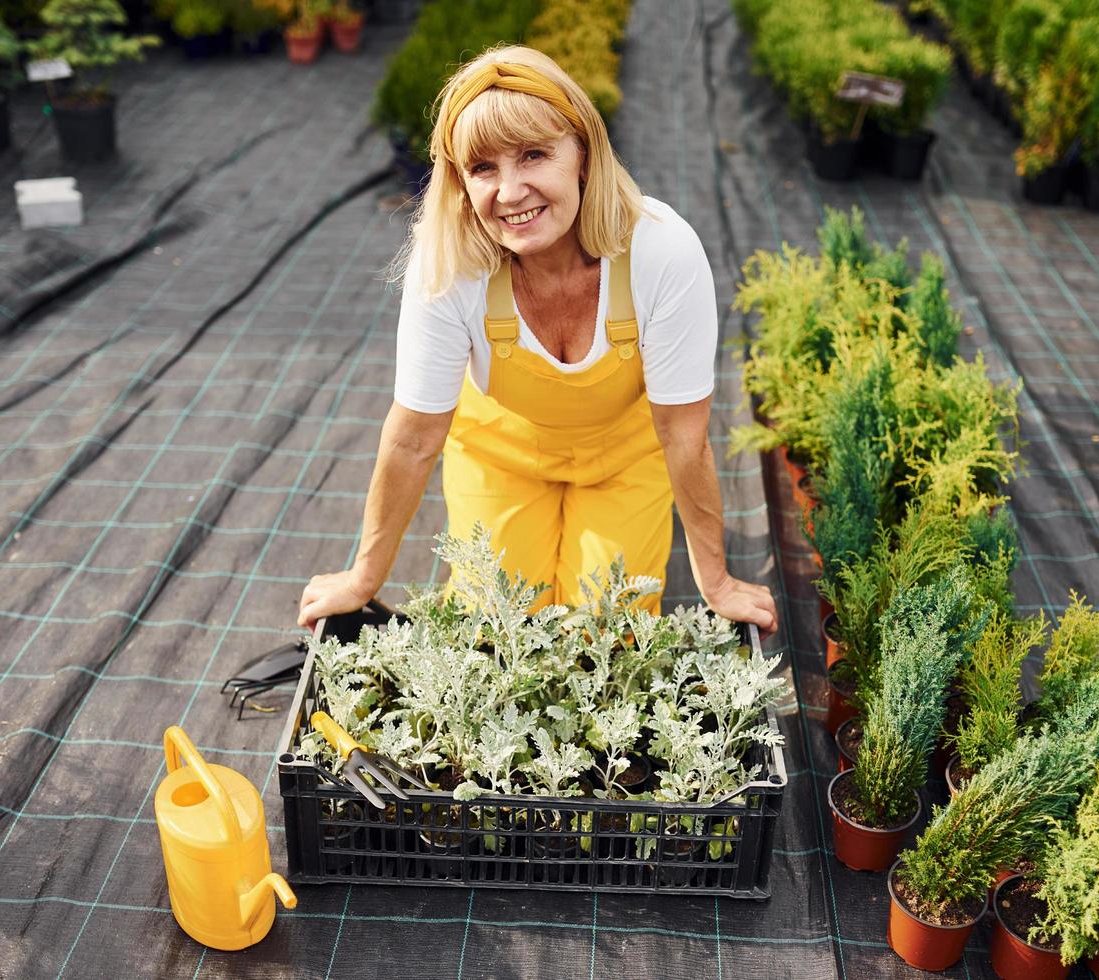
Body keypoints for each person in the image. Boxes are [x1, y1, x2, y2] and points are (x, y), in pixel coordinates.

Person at [296, 44, 777, 634]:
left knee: (607, 629)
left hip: (624, 458)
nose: (510, 191)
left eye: (532, 155)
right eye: (482, 169)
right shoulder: (450, 261)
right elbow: (414, 438)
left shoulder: (660, 249)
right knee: (497, 623)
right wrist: (362, 579)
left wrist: (717, 580)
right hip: (501, 455)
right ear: (458, 181)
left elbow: (683, 433)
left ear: (582, 153)